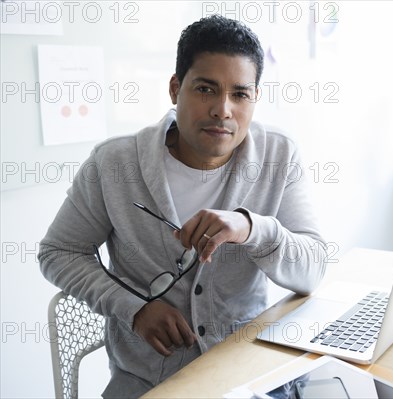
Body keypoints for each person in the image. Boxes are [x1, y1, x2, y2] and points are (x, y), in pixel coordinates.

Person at [39, 15, 327, 398]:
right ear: (176, 89)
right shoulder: (113, 165)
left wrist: (252, 228)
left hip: (248, 376)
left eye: (240, 94)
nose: (223, 110)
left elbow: (313, 269)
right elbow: (59, 252)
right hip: (150, 384)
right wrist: (134, 309)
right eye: (206, 89)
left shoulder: (279, 156)